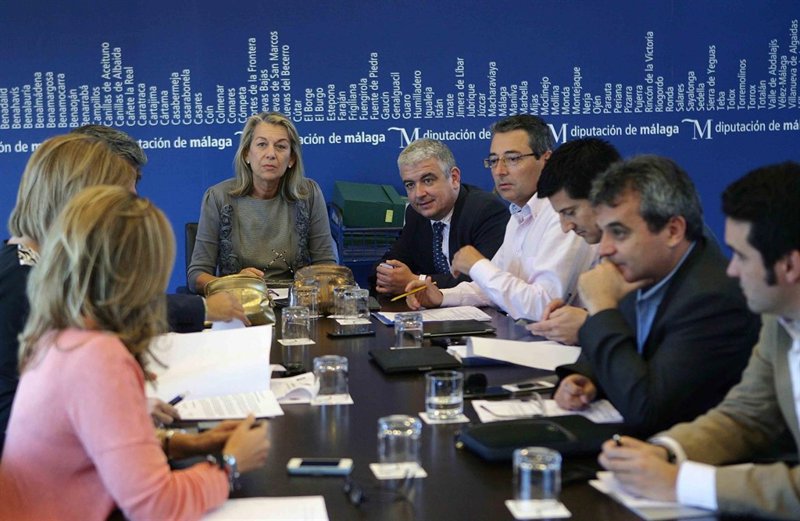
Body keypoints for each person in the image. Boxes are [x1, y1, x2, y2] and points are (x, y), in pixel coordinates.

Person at [0, 186, 270, 520]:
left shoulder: (63, 336)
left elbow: (102, 451)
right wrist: (230, 466)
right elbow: (156, 507)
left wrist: (188, 444)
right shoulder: (98, 357)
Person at [599, 162, 800, 519]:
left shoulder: (727, 298)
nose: (731, 270)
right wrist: (666, 451)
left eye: (741, 256)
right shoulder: (778, 319)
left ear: (789, 266)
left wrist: (681, 483)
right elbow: (746, 415)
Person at [554, 155, 760, 436]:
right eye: (604, 232)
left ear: (673, 231)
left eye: (619, 233)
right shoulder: (644, 269)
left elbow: (648, 410)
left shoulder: (713, 299)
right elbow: (613, 355)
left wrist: (602, 308)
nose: (605, 249)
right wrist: (583, 378)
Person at [406, 115, 593, 321]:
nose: (499, 171)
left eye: (513, 159)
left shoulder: (563, 217)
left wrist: (477, 265)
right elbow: (490, 289)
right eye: (494, 161)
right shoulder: (518, 214)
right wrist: (441, 296)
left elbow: (543, 307)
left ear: (546, 160)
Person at [71, 124, 248, 331]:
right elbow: (112, 312)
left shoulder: (108, 234)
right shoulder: (56, 246)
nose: (133, 193)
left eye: (135, 181)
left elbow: (135, 305)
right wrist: (203, 307)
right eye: (120, 181)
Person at [188, 112, 337, 292]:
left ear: (291, 159)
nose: (271, 154)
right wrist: (233, 283)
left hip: (297, 303)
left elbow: (326, 265)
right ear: (246, 154)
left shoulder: (308, 194)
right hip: (239, 302)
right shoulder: (218, 197)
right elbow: (196, 276)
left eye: (281, 146)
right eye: (261, 144)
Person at [370, 138, 507, 295]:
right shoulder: (416, 214)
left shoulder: (486, 211)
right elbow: (392, 260)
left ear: (454, 178)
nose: (418, 194)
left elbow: (483, 281)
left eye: (428, 180)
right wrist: (387, 274)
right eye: (410, 185)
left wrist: (416, 281)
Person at [527, 138, 621, 344]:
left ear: (605, 195)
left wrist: (589, 326)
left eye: (570, 212)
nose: (565, 227)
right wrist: (577, 315)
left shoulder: (650, 254)